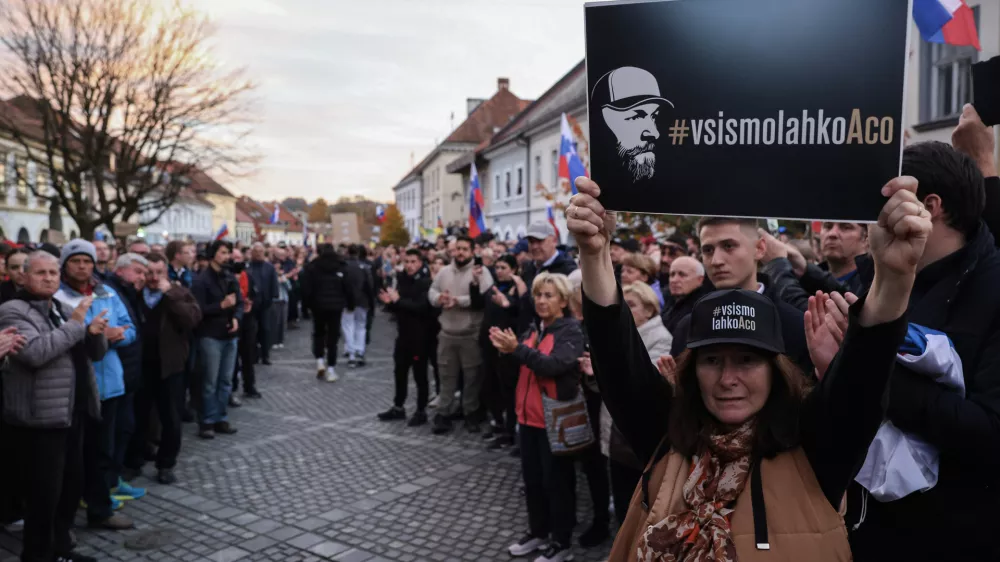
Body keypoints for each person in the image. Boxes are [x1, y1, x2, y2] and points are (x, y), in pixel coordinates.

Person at [566, 175, 928, 561]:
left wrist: (893, 278)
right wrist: (594, 254)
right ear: (693, 370)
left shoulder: (813, 447)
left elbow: (863, 379)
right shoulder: (670, 435)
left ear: (776, 369)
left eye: (747, 360)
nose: (728, 379)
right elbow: (618, 360)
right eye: (712, 360)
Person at [843, 142, 1000, 561]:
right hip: (866, 531)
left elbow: (990, 433)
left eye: (883, 202)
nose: (870, 220)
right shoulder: (871, 280)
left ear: (929, 206)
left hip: (956, 538)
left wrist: (865, 368)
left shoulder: (992, 287)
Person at [0, 251, 110, 562]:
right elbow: (35, 353)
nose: (48, 278)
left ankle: (60, 549)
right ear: (22, 277)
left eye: (52, 272)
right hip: (39, 419)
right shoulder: (12, 311)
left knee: (69, 490)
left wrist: (94, 334)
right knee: (43, 498)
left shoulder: (59, 308)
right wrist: (77, 325)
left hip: (71, 411)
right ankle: (38, 556)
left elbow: (89, 353)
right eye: (40, 273)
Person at [491, 272, 584, 562]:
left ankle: (562, 541)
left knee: (557, 484)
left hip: (554, 421)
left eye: (549, 295)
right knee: (532, 481)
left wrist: (516, 349)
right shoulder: (534, 329)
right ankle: (539, 532)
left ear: (564, 301)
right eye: (538, 295)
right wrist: (505, 352)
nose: (541, 301)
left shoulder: (571, 331)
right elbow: (521, 365)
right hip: (528, 419)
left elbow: (552, 365)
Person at [54, 240, 138, 531]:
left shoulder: (107, 292)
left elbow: (131, 328)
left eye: (87, 261)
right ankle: (67, 514)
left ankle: (100, 510)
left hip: (111, 383)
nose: (83, 266)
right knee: (76, 456)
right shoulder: (57, 297)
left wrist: (117, 336)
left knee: (103, 451)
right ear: (65, 264)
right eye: (76, 261)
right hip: (77, 386)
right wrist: (96, 336)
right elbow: (62, 340)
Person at [669, 217, 812, 373]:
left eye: (728, 246)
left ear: (759, 248)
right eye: (708, 250)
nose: (716, 261)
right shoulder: (688, 328)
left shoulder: (797, 326)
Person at [126, 253, 201, 485]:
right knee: (138, 416)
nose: (154, 278)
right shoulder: (134, 294)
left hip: (170, 366)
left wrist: (170, 294)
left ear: (166, 272)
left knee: (171, 418)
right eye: (149, 272)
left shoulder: (179, 293)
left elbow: (192, 320)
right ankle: (135, 460)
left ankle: (166, 463)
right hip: (140, 366)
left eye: (159, 272)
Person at [603, 282, 672, 527]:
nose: (626, 310)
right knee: (622, 503)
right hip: (618, 436)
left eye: (631, 305)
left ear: (650, 309)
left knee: (638, 508)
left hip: (637, 441)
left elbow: (643, 387)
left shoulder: (661, 339)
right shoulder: (624, 334)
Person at [428, 236, 494, 434]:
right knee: (446, 375)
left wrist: (458, 301)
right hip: (447, 333)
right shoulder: (444, 272)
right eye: (458, 249)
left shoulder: (481, 272)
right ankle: (444, 413)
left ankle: (470, 413)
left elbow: (484, 296)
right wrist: (439, 298)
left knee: (472, 376)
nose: (461, 253)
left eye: (465, 249)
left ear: (473, 251)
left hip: (470, 333)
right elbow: (432, 290)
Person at [101, 253, 150, 501]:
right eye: (138, 271)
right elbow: (115, 331)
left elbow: (130, 330)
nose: (142, 277)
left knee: (124, 431)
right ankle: (103, 487)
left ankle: (113, 480)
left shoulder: (129, 293)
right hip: (114, 375)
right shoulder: (109, 292)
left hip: (127, 374)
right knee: (112, 436)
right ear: (120, 270)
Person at [191, 240, 242, 440]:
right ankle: (207, 420)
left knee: (225, 380)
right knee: (210, 380)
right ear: (213, 255)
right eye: (223, 252)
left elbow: (237, 302)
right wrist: (220, 306)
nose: (227, 256)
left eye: (228, 252)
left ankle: (221, 417)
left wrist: (237, 318)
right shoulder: (201, 280)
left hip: (230, 334)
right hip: (210, 335)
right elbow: (198, 310)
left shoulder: (229, 277)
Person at [377, 248, 432, 426]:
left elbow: (421, 307)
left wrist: (398, 301)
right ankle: (398, 407)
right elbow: (400, 307)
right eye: (407, 262)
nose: (409, 265)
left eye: (413, 262)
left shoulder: (425, 282)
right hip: (403, 335)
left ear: (420, 263)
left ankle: (421, 410)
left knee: (420, 375)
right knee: (399, 372)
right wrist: (391, 304)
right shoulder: (402, 280)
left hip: (420, 336)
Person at [475, 254, 522, 448]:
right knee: (490, 385)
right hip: (489, 345)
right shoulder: (492, 288)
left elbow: (520, 314)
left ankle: (510, 430)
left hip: (508, 347)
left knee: (508, 389)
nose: (499, 271)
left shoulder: (518, 291)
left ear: (514, 270)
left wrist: (508, 304)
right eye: (497, 267)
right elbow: (481, 308)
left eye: (504, 267)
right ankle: (498, 423)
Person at [300, 243, 353, 382]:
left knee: (318, 333)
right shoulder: (341, 266)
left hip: (318, 305)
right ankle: (331, 368)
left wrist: (307, 306)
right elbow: (348, 287)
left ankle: (319, 360)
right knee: (333, 337)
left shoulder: (312, 267)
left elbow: (306, 288)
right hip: (336, 306)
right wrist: (350, 303)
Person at [230, 247, 261, 402]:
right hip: (232, 320)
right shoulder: (226, 276)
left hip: (248, 321)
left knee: (248, 355)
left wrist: (251, 303)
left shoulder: (248, 276)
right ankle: (232, 387)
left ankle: (249, 386)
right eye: (233, 257)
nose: (236, 260)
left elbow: (256, 295)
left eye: (238, 258)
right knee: (232, 358)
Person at [661, 256, 711, 335]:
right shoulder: (670, 301)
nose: (674, 280)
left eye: (682, 275)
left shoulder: (701, 310)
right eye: (672, 274)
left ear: (700, 279)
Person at [342, 245, 374, 367]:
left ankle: (351, 354)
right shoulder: (364, 267)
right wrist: (371, 301)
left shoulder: (344, 267)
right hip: (362, 301)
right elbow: (369, 286)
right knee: (361, 327)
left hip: (347, 301)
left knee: (348, 327)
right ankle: (360, 351)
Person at [247, 242, 279, 365]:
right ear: (252, 253)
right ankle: (254, 355)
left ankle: (265, 355)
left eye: (261, 252)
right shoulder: (248, 267)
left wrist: (273, 296)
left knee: (265, 329)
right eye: (256, 252)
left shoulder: (269, 267)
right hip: (252, 304)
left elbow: (273, 283)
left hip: (266, 304)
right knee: (252, 331)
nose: (259, 254)